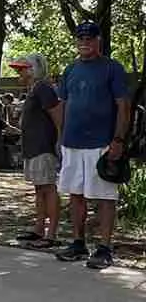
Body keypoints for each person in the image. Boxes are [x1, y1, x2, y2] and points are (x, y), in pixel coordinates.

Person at [54, 21, 130, 270]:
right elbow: (62, 105)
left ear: (99, 40)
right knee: (75, 194)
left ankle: (105, 248)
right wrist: (60, 137)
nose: (84, 42)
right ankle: (78, 243)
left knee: (105, 196)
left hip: (102, 144)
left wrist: (118, 140)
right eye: (80, 38)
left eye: (89, 38)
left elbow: (123, 106)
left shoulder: (112, 68)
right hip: (72, 143)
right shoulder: (70, 70)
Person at [9, 53, 63, 249]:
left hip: (44, 147)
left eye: (21, 69)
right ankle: (39, 228)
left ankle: (51, 233)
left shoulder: (43, 88)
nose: (18, 73)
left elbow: (58, 116)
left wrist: (59, 143)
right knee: (39, 188)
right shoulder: (33, 89)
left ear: (32, 70)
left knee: (48, 187)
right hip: (32, 148)